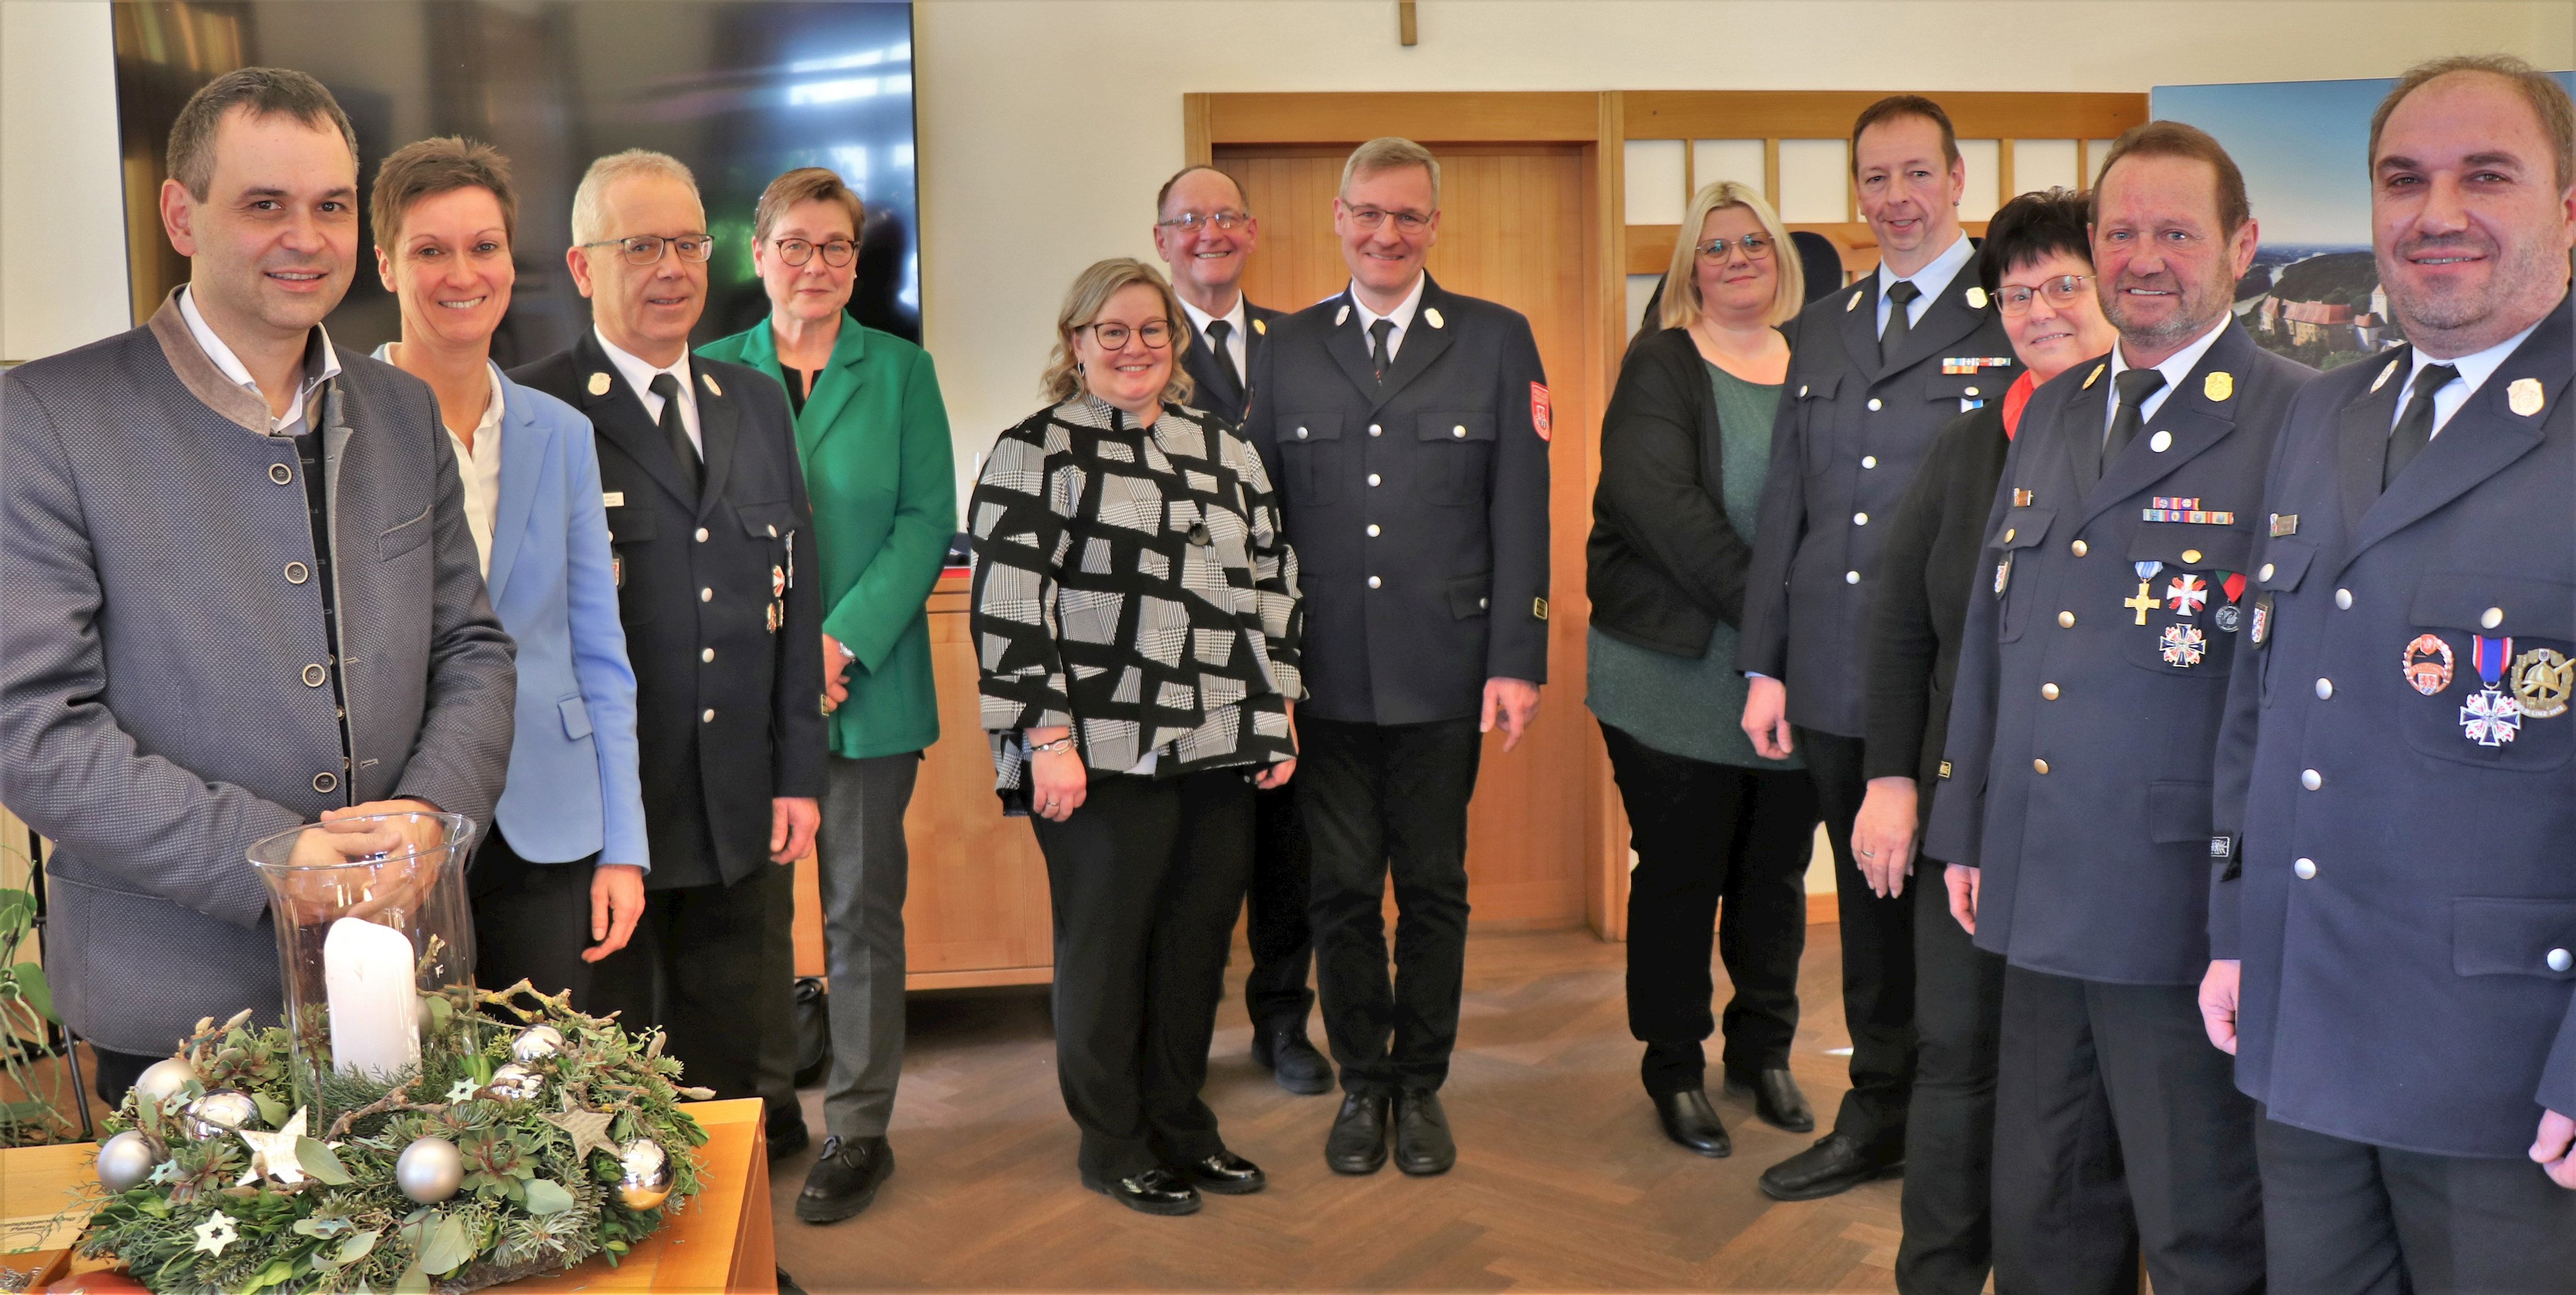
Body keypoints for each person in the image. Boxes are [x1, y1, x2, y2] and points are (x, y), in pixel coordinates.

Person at [0, 69, 515, 1101]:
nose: (307, 237)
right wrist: (273, 862)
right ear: (180, 214)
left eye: (330, 206)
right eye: (265, 205)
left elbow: (471, 649)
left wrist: (430, 812)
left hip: (405, 970)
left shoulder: (404, 411)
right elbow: (29, 728)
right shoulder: (46, 420)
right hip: (179, 1008)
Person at [2202, 55, 2576, 1292]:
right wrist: (2233, 928)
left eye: (2485, 177)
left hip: (2506, 1073)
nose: (2435, 214)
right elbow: (2262, 702)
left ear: (2565, 207)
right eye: (2402, 180)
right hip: (2304, 1026)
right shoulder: (2322, 414)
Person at [1925, 121, 2313, 1295]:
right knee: (2046, 1209)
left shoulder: (2300, 416)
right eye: (2123, 233)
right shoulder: (2052, 408)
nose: (2145, 258)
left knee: (2198, 1222)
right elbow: (2000, 637)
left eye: (2177, 233)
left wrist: (2245, 903)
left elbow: (2289, 694)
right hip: (2038, 880)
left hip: (2176, 905)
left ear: (2241, 247)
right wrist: (1969, 824)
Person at [1241, 137, 1550, 1179]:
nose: (1386, 234)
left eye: (1408, 217)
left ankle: (1421, 1085)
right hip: (1321, 674)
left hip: (1445, 668)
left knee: (1432, 886)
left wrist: (1518, 657)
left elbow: (1521, 510)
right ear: (1337, 217)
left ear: (1433, 227)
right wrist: (1265, 676)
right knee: (1337, 891)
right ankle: (1360, 1084)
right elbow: (1259, 524)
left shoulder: (1498, 340)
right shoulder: (1283, 348)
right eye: (1368, 213)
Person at [968, 257, 1301, 1216]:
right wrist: (1046, 737)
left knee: (1196, 949)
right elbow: (1010, 609)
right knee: (1108, 951)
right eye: (1110, 331)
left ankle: (1183, 1127)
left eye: (1151, 329)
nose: (1133, 347)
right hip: (1095, 753)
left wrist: (1274, 708)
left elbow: (1271, 584)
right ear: (1075, 345)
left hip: (1221, 741)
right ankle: (1112, 1143)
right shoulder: (1033, 453)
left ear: (1177, 340)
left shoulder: (1224, 449)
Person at [509, 150, 825, 1148]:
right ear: (581, 264)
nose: (672, 268)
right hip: (608, 814)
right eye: (639, 245)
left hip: (739, 801)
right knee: (611, 1083)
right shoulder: (536, 407)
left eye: (688, 243)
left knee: (738, 1070)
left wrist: (798, 772)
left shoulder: (755, 399)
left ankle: (740, 1264)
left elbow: (793, 593)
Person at [1736, 93, 2020, 1203]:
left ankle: (1964, 1129)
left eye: (1916, 175)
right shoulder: (1828, 326)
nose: (1895, 200)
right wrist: (1767, 661)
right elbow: (1791, 511)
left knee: (1957, 914)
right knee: (1864, 909)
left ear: (1957, 182)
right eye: (1875, 180)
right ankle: (1881, 1110)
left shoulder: (2014, 319)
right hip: (1836, 676)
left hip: (1957, 684)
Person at [1855, 188, 2115, 1294]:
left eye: (2065, 284)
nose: (2041, 310)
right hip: (1967, 816)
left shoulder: (2158, 446)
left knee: (2078, 1087)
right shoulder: (1970, 446)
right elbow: (1899, 624)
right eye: (2017, 292)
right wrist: (1891, 780)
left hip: (2102, 833)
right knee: (1956, 1060)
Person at [699, 165, 957, 1225]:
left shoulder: (900, 371)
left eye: (837, 247)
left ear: (859, 262)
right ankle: (768, 1105)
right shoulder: (710, 369)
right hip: (741, 699)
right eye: (795, 245)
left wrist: (835, 642)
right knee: (752, 914)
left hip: (868, 690)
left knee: (858, 912)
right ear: (756, 257)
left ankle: (860, 1125)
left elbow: (923, 522)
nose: (817, 265)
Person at [365, 136, 648, 1010]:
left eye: (483, 247)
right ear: (385, 265)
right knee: (408, 1097)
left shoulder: (561, 433)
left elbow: (600, 648)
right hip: (396, 817)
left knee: (544, 1090)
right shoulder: (337, 430)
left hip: (550, 820)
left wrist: (624, 844)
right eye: (430, 250)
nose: (462, 272)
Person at [1587, 179, 1818, 1160]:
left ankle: (1763, 1052)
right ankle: (1674, 1064)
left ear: (1781, 259)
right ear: (1689, 267)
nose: (1737, 262)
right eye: (1715, 248)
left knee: (1774, 876)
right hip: (1671, 678)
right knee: (1682, 874)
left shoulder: (1821, 360)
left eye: (1754, 244)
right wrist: (1781, 627)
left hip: (1800, 678)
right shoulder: (1662, 364)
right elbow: (1664, 514)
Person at [1148, 163, 1331, 1098]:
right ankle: (1179, 1030)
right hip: (1181, 643)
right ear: (1162, 240)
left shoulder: (1300, 341)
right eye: (1190, 220)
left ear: (1251, 232)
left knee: (1287, 840)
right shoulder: (1139, 341)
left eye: (1225, 217)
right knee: (1195, 849)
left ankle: (1283, 1020)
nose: (1209, 233)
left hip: (1286, 628)